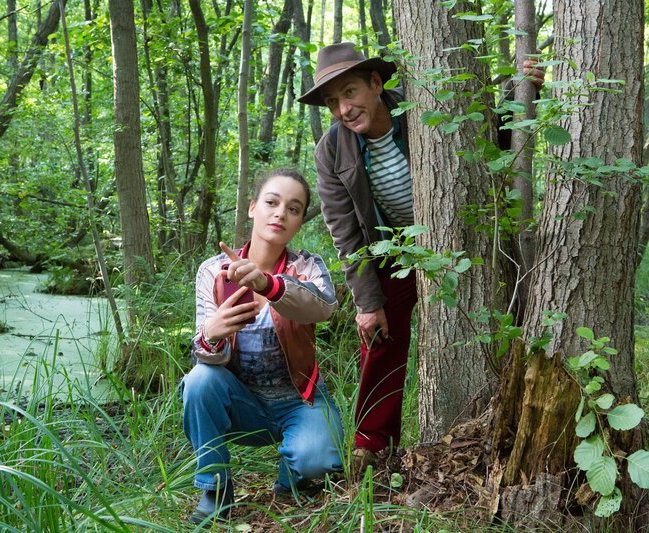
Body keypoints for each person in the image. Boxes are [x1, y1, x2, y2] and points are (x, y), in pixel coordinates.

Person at [297, 42, 543, 468]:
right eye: (333, 102)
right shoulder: (331, 150)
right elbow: (346, 233)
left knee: (509, 313)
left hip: (463, 234)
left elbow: (485, 135)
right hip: (395, 249)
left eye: (349, 93)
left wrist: (520, 91)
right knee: (377, 333)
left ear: (376, 83)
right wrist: (367, 304)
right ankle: (373, 445)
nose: (343, 109)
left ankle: (515, 412)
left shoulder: (419, 108)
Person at [182, 168, 344, 523]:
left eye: (293, 208)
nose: (280, 213)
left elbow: (324, 308)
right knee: (198, 381)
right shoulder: (213, 271)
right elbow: (207, 353)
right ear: (253, 207)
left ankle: (292, 479)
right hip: (242, 402)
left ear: (300, 221)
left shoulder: (308, 266)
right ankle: (216, 488)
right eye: (272, 202)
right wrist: (212, 333)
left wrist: (269, 285)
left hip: (299, 398)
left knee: (318, 460)